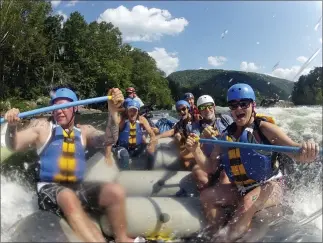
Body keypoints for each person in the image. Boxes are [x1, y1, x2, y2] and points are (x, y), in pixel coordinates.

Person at [185, 83, 320, 242]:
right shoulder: (225, 136)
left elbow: (294, 151)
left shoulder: (264, 128)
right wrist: (196, 150)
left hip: (271, 186)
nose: (238, 109)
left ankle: (225, 239)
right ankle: (217, 233)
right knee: (208, 196)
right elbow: (210, 167)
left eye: (244, 104)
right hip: (242, 187)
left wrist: (307, 148)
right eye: (233, 105)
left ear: (253, 105)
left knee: (247, 202)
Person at [3, 87, 135, 243]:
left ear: (75, 108)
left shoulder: (84, 131)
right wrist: (11, 127)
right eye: (56, 107)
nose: (59, 111)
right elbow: (14, 145)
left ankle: (121, 238)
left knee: (115, 191)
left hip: (76, 187)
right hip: (49, 189)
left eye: (64, 107)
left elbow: (110, 139)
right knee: (67, 196)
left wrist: (113, 113)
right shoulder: (43, 129)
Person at [189, 95, 233, 189]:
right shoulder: (196, 126)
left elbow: (237, 135)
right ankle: (209, 191)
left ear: (214, 106)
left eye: (209, 106)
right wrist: (202, 136)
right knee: (198, 174)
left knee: (224, 176)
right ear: (199, 110)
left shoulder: (225, 119)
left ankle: (219, 193)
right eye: (203, 107)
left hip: (226, 160)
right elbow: (194, 142)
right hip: (207, 161)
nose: (207, 110)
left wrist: (222, 137)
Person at [113, 99, 157, 170]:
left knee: (151, 153)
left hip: (138, 148)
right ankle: (126, 175)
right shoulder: (121, 119)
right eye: (130, 110)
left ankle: (149, 172)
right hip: (123, 147)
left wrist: (152, 145)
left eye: (135, 110)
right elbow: (113, 132)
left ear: (138, 112)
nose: (132, 113)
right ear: (127, 111)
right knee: (124, 155)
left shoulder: (142, 119)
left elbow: (152, 135)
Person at [156, 100, 198, 169]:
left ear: (188, 109)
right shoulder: (180, 123)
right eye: (179, 110)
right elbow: (172, 131)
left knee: (183, 158)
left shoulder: (196, 119)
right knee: (177, 136)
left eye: (184, 109)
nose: (181, 112)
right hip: (188, 147)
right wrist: (158, 137)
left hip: (198, 147)